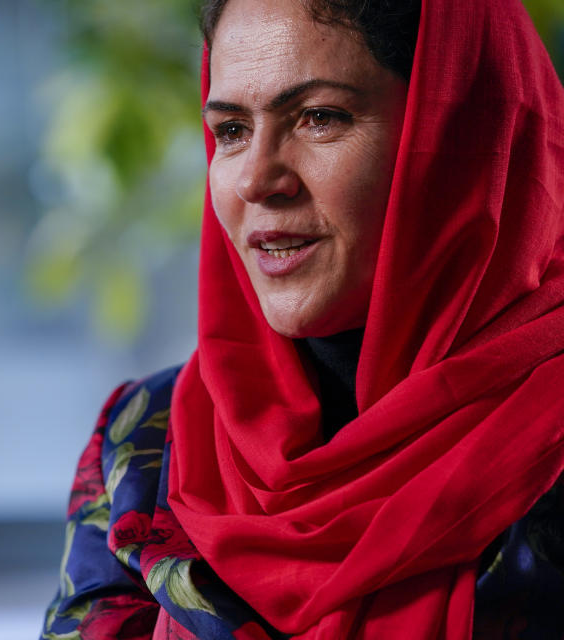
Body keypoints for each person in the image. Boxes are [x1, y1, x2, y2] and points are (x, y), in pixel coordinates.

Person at [41, 0, 564, 637]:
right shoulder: (143, 444)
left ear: (458, 134)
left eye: (319, 117)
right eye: (231, 130)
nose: (257, 180)